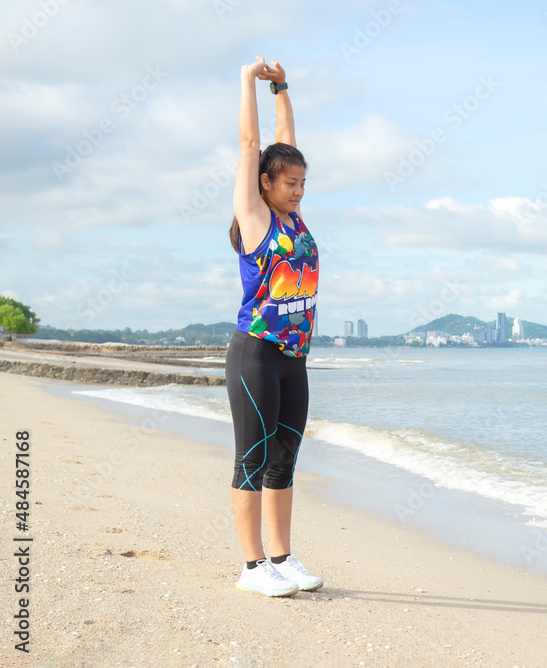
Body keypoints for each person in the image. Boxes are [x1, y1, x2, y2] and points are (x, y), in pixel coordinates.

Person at [225, 57, 322, 597]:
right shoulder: (257, 217)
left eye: (303, 183)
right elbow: (251, 145)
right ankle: (252, 567)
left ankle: (283, 559)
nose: (299, 190)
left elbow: (285, 142)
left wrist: (282, 87)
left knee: (284, 457)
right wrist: (248, 80)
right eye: (290, 183)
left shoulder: (295, 217)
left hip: (294, 360)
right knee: (253, 456)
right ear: (265, 184)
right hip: (256, 354)